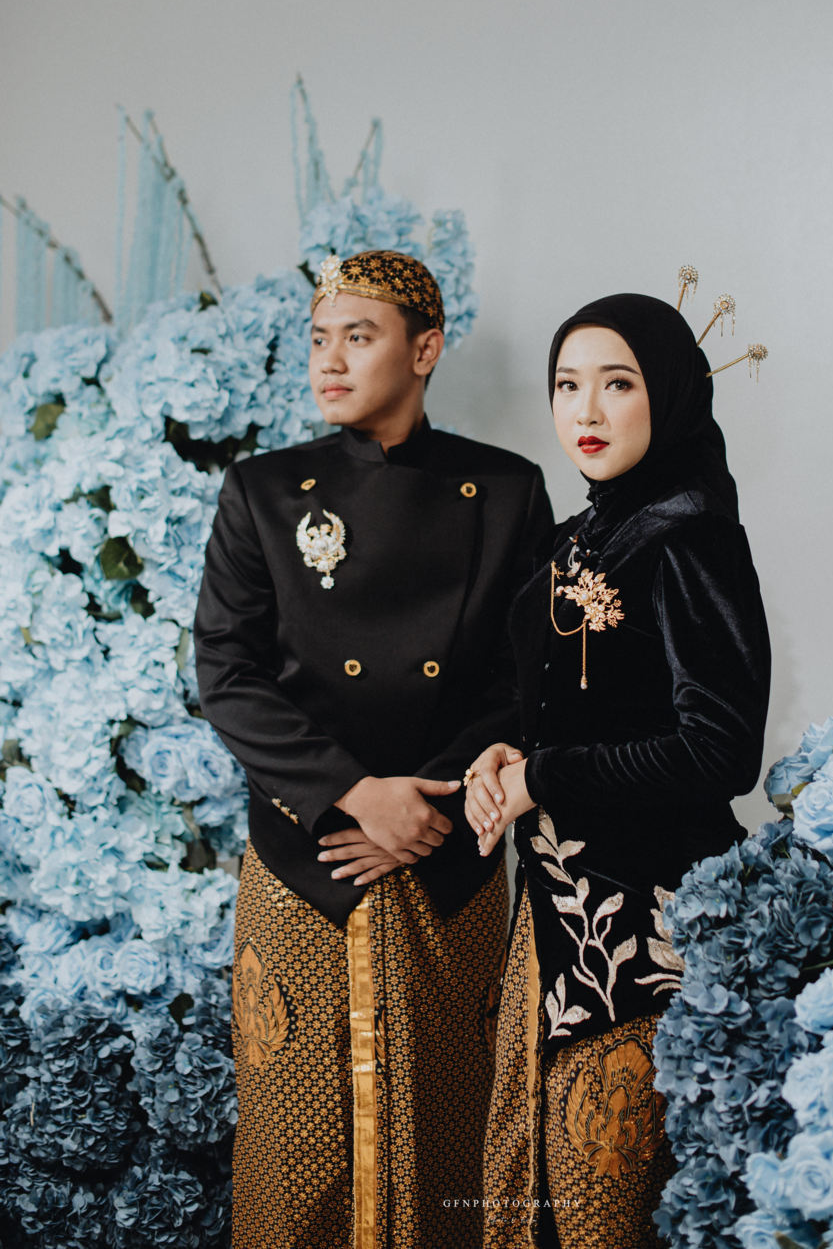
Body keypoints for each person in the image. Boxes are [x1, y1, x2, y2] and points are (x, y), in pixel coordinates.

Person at [194, 249, 553, 1249]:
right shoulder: (264, 491)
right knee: (296, 1146)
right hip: (307, 854)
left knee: (451, 1134)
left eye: (359, 337)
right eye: (320, 339)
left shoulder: (508, 490)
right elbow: (227, 671)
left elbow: (529, 680)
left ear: (425, 349)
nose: (331, 360)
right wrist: (355, 793)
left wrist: (421, 804)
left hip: (451, 856)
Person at [463, 292, 771, 1248]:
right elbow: (568, 709)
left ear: (668, 395)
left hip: (648, 932)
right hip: (556, 923)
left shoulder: (688, 533)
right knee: (536, 1203)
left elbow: (720, 748)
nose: (586, 411)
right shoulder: (579, 537)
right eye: (567, 385)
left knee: (611, 1212)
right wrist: (508, 756)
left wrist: (544, 778)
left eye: (618, 384)